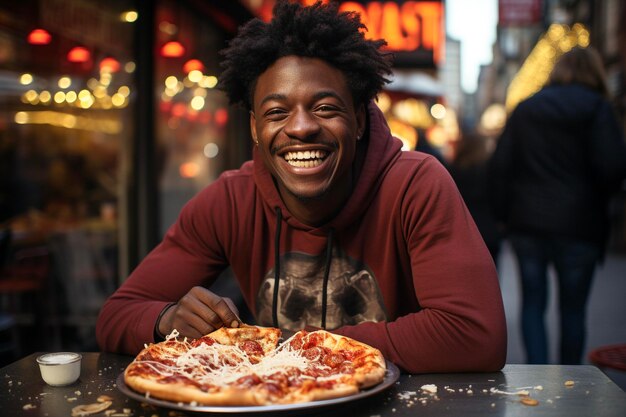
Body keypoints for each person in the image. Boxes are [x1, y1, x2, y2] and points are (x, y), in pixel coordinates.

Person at [96, 0, 506, 373]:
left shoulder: (416, 184)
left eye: (324, 108)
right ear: (256, 128)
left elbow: (476, 335)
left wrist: (296, 347)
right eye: (277, 112)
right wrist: (166, 319)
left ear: (360, 120)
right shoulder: (229, 201)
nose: (302, 127)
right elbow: (116, 315)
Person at [488, 46, 626, 365]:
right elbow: (612, 167)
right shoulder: (598, 109)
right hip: (581, 223)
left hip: (528, 223)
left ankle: (538, 377)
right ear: (595, 72)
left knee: (533, 304)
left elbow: (500, 167)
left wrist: (502, 216)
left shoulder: (526, 109)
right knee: (573, 310)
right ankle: (569, 382)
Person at [448, 133, 502, 266]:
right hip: (488, 229)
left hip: (461, 232)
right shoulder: (489, 170)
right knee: (491, 276)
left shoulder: (452, 170)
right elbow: (499, 197)